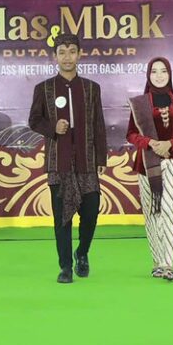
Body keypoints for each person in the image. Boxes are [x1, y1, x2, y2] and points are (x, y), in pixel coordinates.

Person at [28, 33, 107, 284]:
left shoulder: (92, 88)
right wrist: (53, 127)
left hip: (87, 161)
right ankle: (65, 267)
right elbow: (34, 120)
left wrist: (101, 157)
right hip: (58, 162)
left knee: (91, 213)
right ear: (55, 57)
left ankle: (82, 252)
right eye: (62, 52)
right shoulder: (44, 88)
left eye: (72, 51)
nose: (67, 57)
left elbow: (99, 124)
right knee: (62, 218)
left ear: (79, 54)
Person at [128, 58, 173, 281]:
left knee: (168, 210)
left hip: (171, 163)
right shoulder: (139, 104)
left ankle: (168, 263)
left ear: (169, 75)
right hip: (146, 166)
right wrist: (150, 143)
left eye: (163, 71)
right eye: (154, 71)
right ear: (148, 75)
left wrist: (170, 144)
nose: (159, 75)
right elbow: (131, 134)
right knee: (152, 214)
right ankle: (157, 262)